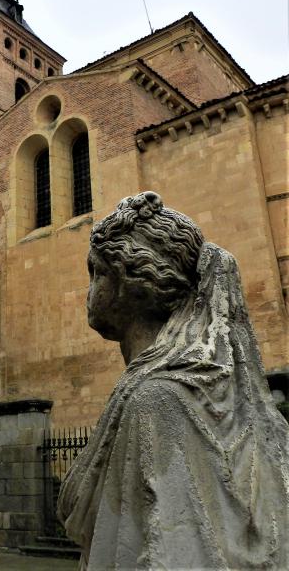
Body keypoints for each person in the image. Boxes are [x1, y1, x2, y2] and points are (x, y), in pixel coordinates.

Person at [57, 191, 289, 570]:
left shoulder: (157, 400)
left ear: (131, 280)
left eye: (96, 272)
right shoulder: (171, 390)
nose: (89, 291)